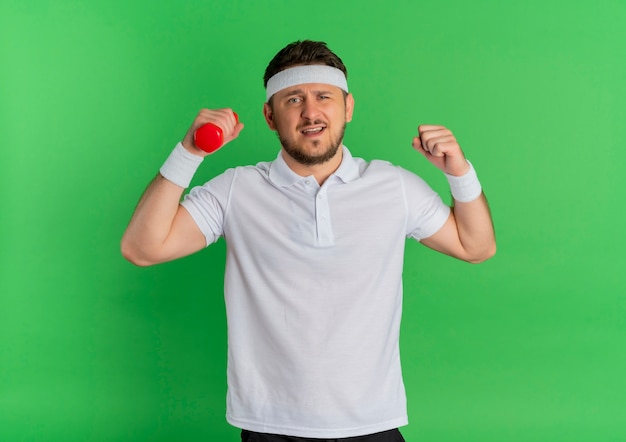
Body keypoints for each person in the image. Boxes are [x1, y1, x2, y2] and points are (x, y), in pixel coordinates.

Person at [121, 40, 496, 442]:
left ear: (348, 107)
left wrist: (459, 172)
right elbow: (142, 248)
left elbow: (475, 247)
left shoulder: (393, 186)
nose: (310, 112)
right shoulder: (237, 189)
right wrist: (189, 152)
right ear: (270, 116)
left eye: (323, 97)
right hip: (270, 426)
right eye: (293, 99)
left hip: (372, 422)